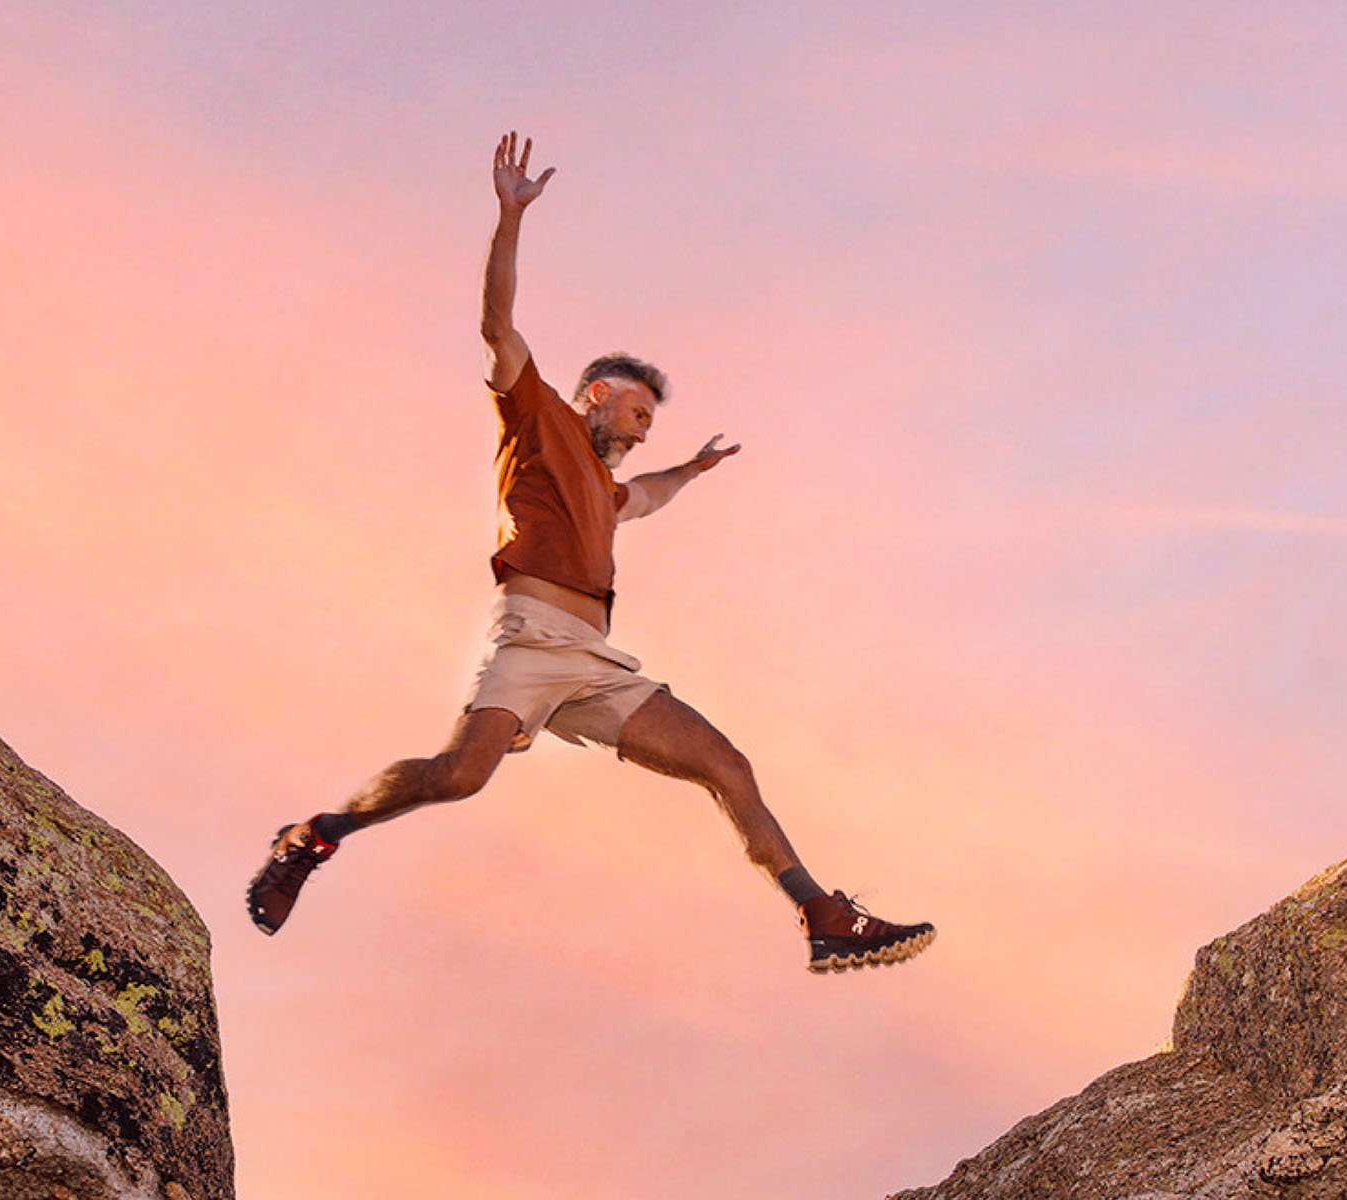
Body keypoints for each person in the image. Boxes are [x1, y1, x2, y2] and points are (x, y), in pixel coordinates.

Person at [248, 132, 934, 974]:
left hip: (596, 663)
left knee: (727, 763)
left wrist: (693, 466)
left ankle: (821, 916)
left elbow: (652, 497)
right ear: (599, 396)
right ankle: (316, 835)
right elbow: (496, 324)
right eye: (639, 416)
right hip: (532, 642)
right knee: (459, 777)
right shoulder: (538, 419)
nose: (644, 433)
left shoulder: (609, 493)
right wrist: (509, 217)